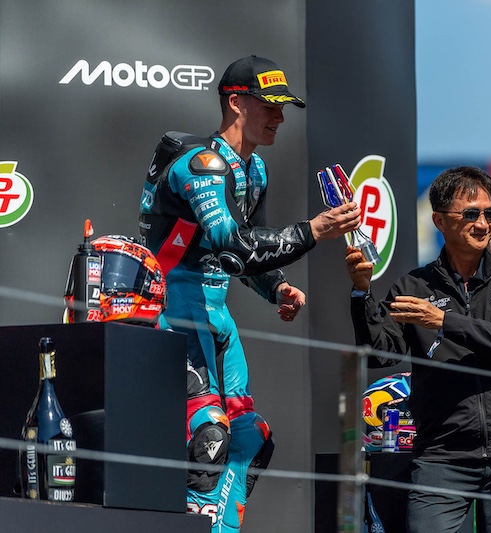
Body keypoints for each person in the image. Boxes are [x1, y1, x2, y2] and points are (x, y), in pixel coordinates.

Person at [138, 55, 362, 532]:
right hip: (175, 310)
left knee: (249, 435)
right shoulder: (201, 165)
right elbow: (229, 242)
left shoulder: (254, 169)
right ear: (237, 102)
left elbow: (244, 258)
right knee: (209, 434)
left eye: (283, 107)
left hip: (216, 312)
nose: (279, 117)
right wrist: (313, 230)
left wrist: (276, 287)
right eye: (270, 106)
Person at [345, 166, 491, 533]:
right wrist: (362, 293)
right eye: (470, 214)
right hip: (441, 456)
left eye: (490, 214)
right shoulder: (413, 286)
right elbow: (381, 354)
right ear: (439, 220)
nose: (483, 224)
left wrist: (442, 321)